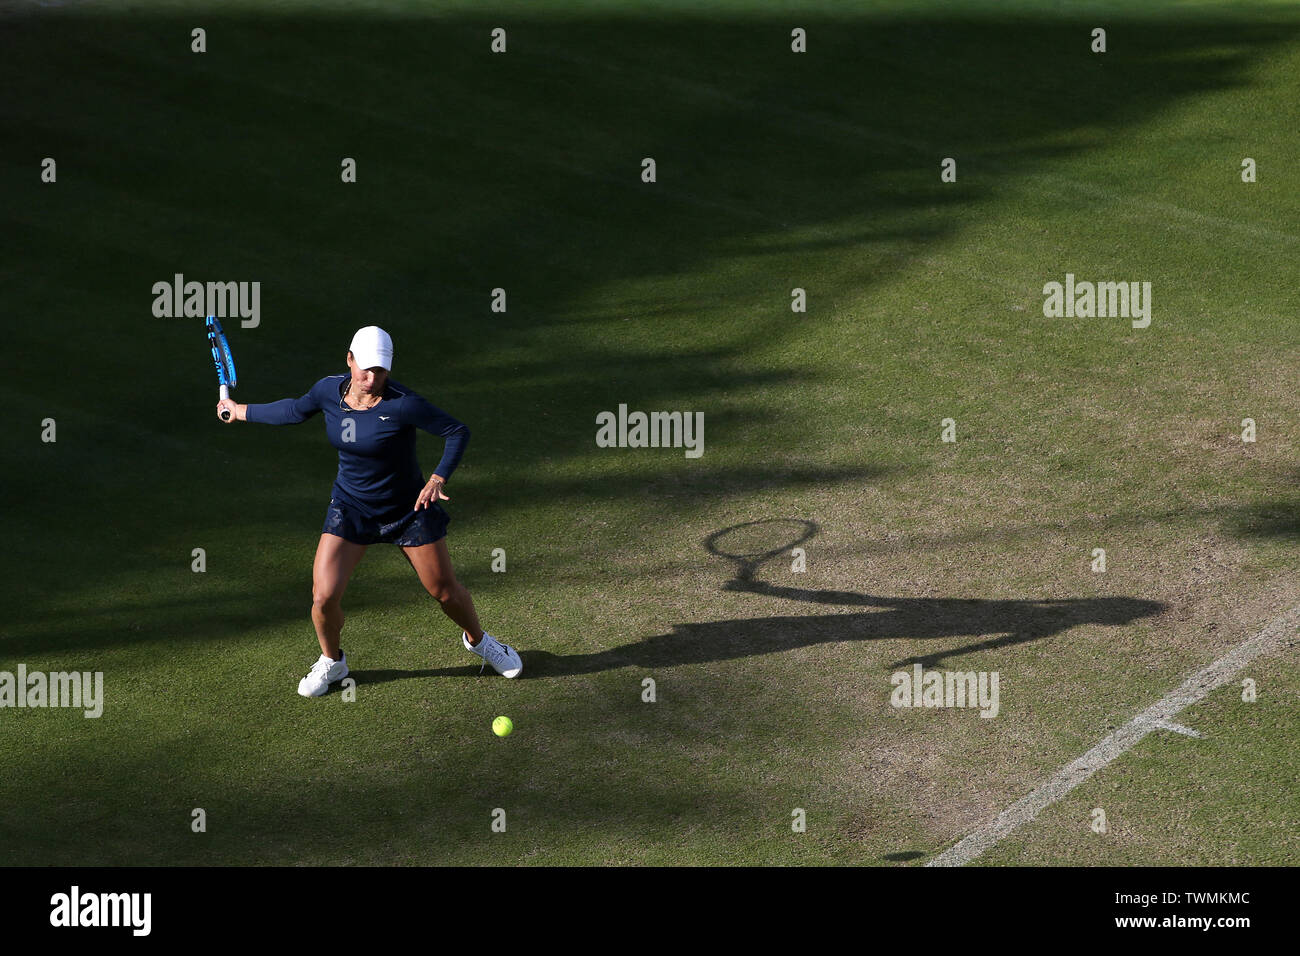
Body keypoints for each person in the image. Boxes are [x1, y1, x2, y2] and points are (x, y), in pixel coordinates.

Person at [215, 326, 522, 696]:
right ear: (349, 360)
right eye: (365, 368)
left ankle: (479, 641)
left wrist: (438, 477)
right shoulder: (328, 390)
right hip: (351, 507)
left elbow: (457, 431)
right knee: (323, 596)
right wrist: (241, 410)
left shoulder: (403, 403)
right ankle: (332, 662)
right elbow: (295, 410)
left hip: (408, 509)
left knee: (444, 592)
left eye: (380, 370)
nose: (372, 377)